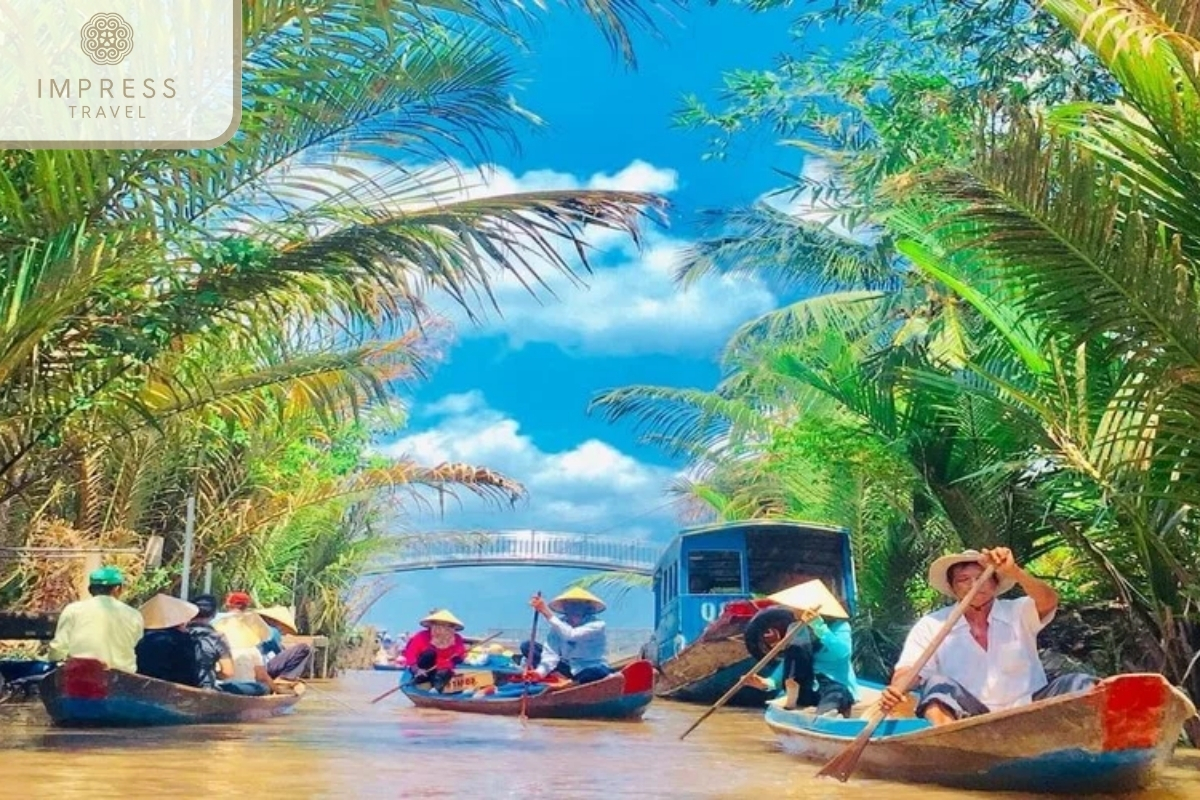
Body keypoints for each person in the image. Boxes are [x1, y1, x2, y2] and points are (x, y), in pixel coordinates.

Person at [878, 547, 1096, 726]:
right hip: (970, 720)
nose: (976, 585)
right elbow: (908, 669)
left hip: (1030, 710)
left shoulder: (1017, 612)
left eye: (982, 578)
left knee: (1079, 683)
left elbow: (1049, 600)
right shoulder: (932, 625)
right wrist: (897, 688)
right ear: (953, 588)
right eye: (964, 579)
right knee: (937, 686)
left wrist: (1015, 572)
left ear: (994, 584)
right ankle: (953, 752)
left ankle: (1093, 746)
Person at [744, 578, 860, 717]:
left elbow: (842, 653)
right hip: (803, 687)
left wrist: (819, 627)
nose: (793, 611)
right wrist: (767, 683)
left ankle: (826, 715)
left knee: (836, 696)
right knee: (796, 645)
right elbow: (791, 659)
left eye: (797, 607)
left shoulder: (839, 627)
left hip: (833, 685)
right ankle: (791, 694)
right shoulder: (796, 628)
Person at [47, 565, 143, 673]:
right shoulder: (133, 615)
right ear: (117, 588)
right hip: (122, 679)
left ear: (91, 589)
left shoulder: (73, 610)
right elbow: (137, 644)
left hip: (80, 676)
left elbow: (58, 648)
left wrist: (56, 663)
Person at [523, 587, 611, 685]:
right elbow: (550, 655)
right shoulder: (558, 626)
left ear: (587, 608)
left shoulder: (597, 625)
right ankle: (563, 679)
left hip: (591, 667)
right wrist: (539, 673)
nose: (575, 608)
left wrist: (546, 612)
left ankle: (573, 683)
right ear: (565, 608)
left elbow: (571, 635)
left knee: (595, 673)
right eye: (571, 605)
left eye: (579, 604)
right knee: (527, 646)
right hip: (569, 669)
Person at [188, 593, 270, 696]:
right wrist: (213, 673)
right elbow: (228, 672)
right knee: (262, 688)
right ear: (213, 614)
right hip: (206, 686)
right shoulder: (217, 637)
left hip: (180, 682)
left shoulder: (180, 632)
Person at [135, 593, 201, 686]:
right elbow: (189, 672)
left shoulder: (140, 637)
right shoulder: (182, 640)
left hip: (142, 686)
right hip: (173, 689)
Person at [213, 590, 274, 686]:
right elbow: (262, 676)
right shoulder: (252, 650)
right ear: (246, 606)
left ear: (228, 605)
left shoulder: (218, 621)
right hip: (248, 688)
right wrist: (277, 689)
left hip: (222, 686)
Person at [403, 609, 467, 692]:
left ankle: (440, 687)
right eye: (438, 625)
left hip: (443, 672)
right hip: (423, 671)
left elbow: (459, 658)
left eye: (447, 626)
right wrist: (417, 670)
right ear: (432, 625)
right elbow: (410, 656)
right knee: (430, 654)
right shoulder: (421, 636)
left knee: (446, 674)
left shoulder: (457, 639)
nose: (442, 630)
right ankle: (422, 683)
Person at [254, 605, 312, 686]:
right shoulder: (272, 631)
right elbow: (278, 651)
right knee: (303, 648)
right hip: (262, 667)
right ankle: (285, 678)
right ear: (272, 620)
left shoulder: (254, 629)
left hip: (253, 667)